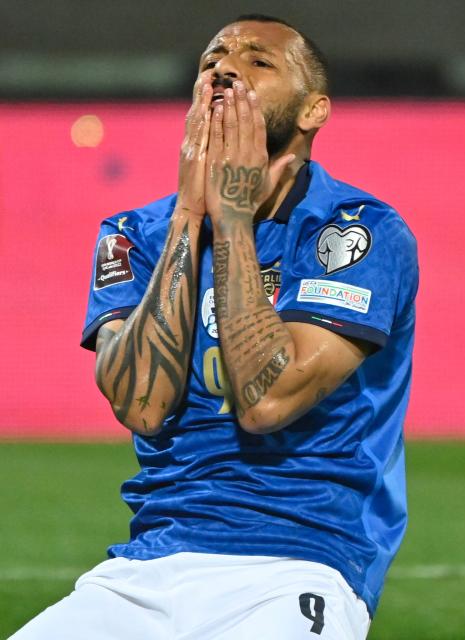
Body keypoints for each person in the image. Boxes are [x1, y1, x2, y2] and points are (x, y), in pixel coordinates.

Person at [13, 14, 417, 640]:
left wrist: (231, 222)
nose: (225, 67)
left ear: (314, 111)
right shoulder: (132, 234)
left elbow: (267, 400)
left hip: (300, 564)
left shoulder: (356, 232)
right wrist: (189, 215)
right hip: (147, 568)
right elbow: (142, 406)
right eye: (212, 60)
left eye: (259, 61)